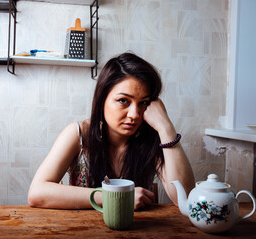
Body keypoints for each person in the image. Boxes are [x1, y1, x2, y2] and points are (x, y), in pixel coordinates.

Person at [28, 52, 194, 210]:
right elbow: (37, 193)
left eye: (143, 103)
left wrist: (166, 128)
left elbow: (185, 199)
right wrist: (114, 197)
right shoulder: (78, 134)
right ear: (102, 100)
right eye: (123, 100)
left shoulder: (154, 138)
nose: (134, 115)